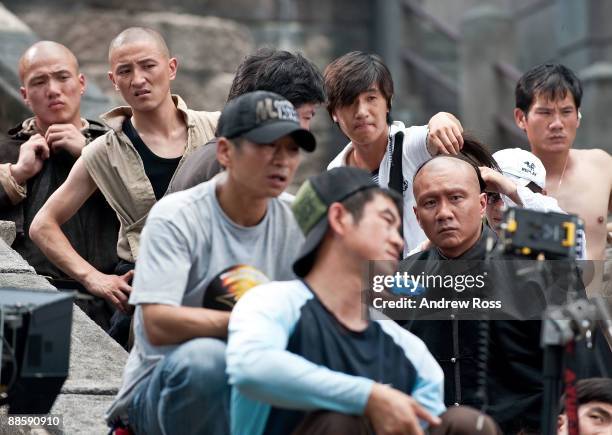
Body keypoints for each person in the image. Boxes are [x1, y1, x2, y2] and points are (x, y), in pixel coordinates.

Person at [227, 166, 501, 435]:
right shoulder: (273, 302)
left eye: (399, 227)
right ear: (340, 218)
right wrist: (369, 396)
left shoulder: (408, 349)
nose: (398, 240)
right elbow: (250, 367)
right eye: (386, 221)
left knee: (466, 424)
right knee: (340, 422)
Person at [105, 90, 316, 435]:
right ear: (224, 152)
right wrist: (251, 323)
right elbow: (158, 323)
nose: (282, 160)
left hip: (256, 383)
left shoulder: (300, 218)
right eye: (267, 145)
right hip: (162, 392)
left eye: (292, 149)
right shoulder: (176, 216)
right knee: (207, 362)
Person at [402, 156, 608, 434]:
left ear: (481, 203)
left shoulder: (541, 271)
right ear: (416, 215)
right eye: (430, 203)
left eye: (456, 198)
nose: (444, 212)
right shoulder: (400, 280)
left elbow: (588, 374)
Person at [29, 28, 219, 318]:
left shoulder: (216, 128)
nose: (138, 79)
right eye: (125, 71)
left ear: (171, 68)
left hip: (213, 278)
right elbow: (43, 225)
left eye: (148, 66)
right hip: (146, 291)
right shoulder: (103, 151)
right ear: (113, 81)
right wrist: (94, 278)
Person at [0, 41, 118, 288]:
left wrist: (90, 153)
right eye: (39, 82)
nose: (53, 90)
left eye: (62, 77)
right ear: (24, 95)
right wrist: (17, 173)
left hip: (107, 293)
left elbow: (145, 202)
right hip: (24, 294)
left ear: (81, 83)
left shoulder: (115, 144)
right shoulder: (8, 151)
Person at [325, 51, 464, 256]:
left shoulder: (409, 146)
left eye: (371, 98)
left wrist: (443, 119)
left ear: (388, 103)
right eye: (349, 102)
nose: (362, 111)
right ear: (334, 113)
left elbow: (439, 132)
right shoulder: (335, 174)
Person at [168, 48, 325, 192]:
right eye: (307, 116)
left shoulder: (216, 156)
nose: (283, 161)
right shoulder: (230, 168)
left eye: (292, 150)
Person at [514, 63, 612, 260]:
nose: (557, 124)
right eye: (545, 113)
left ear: (578, 116)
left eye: (566, 112)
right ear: (521, 118)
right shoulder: (508, 177)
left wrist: (603, 230)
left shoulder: (601, 165)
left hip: (595, 289)